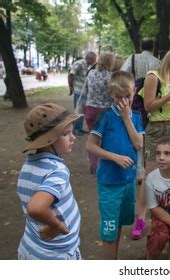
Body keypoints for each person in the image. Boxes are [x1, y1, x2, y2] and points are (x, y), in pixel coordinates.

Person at [131, 46, 170, 240]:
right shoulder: (153, 77)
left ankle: (164, 215)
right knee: (150, 176)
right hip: (156, 130)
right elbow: (149, 106)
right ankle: (140, 219)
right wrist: (169, 97)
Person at [85, 71, 144, 259]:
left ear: (134, 92)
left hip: (128, 182)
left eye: (127, 96)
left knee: (117, 225)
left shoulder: (135, 116)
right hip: (110, 183)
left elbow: (139, 144)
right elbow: (90, 146)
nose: (123, 101)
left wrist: (126, 118)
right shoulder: (105, 116)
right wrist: (114, 157)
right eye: (119, 97)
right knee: (109, 234)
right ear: (111, 94)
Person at [17, 103, 82, 260]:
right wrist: (57, 226)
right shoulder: (57, 171)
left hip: (31, 246)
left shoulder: (28, 165)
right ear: (48, 140)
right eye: (66, 134)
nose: (73, 138)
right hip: (55, 254)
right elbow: (36, 208)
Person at [121, 38, 160, 240]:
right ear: (152, 48)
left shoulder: (133, 58)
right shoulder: (157, 62)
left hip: (136, 101)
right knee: (143, 137)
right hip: (150, 105)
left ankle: (139, 172)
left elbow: (122, 73)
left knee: (136, 137)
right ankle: (142, 171)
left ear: (140, 46)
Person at [77, 51, 115, 174]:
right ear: (110, 62)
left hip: (90, 111)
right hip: (106, 112)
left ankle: (94, 165)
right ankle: (104, 166)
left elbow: (84, 92)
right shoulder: (111, 77)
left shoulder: (91, 73)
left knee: (93, 139)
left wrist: (80, 108)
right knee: (106, 139)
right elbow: (113, 96)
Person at [68, 51, 97, 135]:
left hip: (86, 92)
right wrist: (71, 87)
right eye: (93, 59)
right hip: (79, 91)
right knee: (78, 111)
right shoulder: (79, 63)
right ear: (89, 58)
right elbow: (71, 75)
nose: (94, 61)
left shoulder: (91, 66)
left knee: (83, 111)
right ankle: (75, 130)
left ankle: (79, 128)